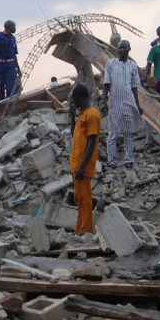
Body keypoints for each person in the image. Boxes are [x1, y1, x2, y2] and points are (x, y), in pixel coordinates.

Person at [102, 40, 144, 168]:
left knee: (128, 133)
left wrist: (137, 105)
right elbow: (106, 83)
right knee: (113, 133)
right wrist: (104, 101)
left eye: (124, 48)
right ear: (117, 49)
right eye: (120, 48)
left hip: (129, 102)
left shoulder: (132, 65)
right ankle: (112, 160)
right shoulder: (110, 63)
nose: (122, 50)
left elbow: (135, 87)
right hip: (114, 103)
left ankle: (128, 159)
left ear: (129, 49)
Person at [69, 84, 101, 235]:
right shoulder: (82, 115)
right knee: (79, 199)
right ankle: (79, 230)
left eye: (73, 99)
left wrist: (82, 166)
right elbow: (73, 134)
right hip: (76, 164)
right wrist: (71, 117)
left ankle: (86, 230)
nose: (72, 102)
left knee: (85, 199)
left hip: (82, 165)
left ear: (79, 97)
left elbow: (92, 141)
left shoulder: (92, 115)